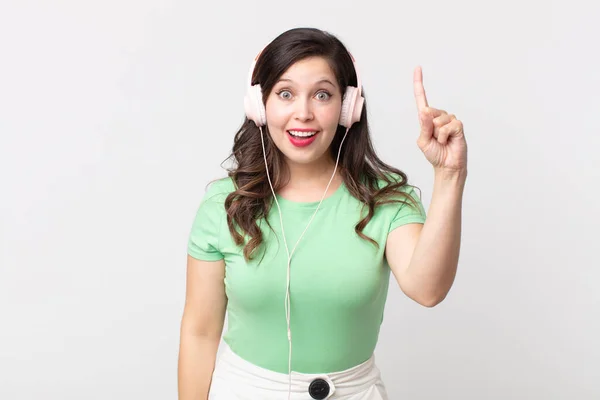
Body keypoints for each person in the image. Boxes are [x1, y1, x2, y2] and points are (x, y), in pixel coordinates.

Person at [177, 27, 468, 400]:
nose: (304, 113)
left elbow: (428, 289)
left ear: (348, 108)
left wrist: (450, 174)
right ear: (259, 104)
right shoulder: (225, 204)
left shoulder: (385, 200)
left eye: (322, 95)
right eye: (285, 94)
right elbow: (199, 332)